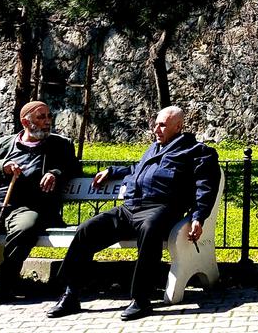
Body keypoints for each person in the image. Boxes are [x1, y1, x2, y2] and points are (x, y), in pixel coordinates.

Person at [47, 106, 220, 321]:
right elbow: (136, 169)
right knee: (87, 230)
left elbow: (205, 187)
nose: (156, 129)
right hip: (130, 209)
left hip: (161, 208)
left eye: (162, 125)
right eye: (155, 124)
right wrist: (112, 171)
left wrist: (198, 217)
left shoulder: (196, 151)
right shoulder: (154, 148)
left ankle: (141, 300)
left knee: (150, 230)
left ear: (178, 126)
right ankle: (70, 294)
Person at [0, 100, 79, 306]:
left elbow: (73, 167)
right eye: (41, 117)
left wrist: (55, 173)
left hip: (28, 206)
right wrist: (2, 167)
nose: (47, 122)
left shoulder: (59, 145)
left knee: (26, 228)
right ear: (25, 122)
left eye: (48, 116)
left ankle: (4, 283)